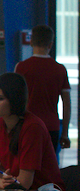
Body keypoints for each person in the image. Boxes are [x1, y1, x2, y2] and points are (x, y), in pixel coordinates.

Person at [14, 25, 71, 155]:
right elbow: (67, 104)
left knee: (27, 163)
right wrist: (65, 133)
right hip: (51, 126)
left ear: (31, 42)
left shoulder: (21, 67)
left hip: (27, 125)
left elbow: (14, 99)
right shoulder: (60, 69)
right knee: (49, 165)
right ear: (50, 44)